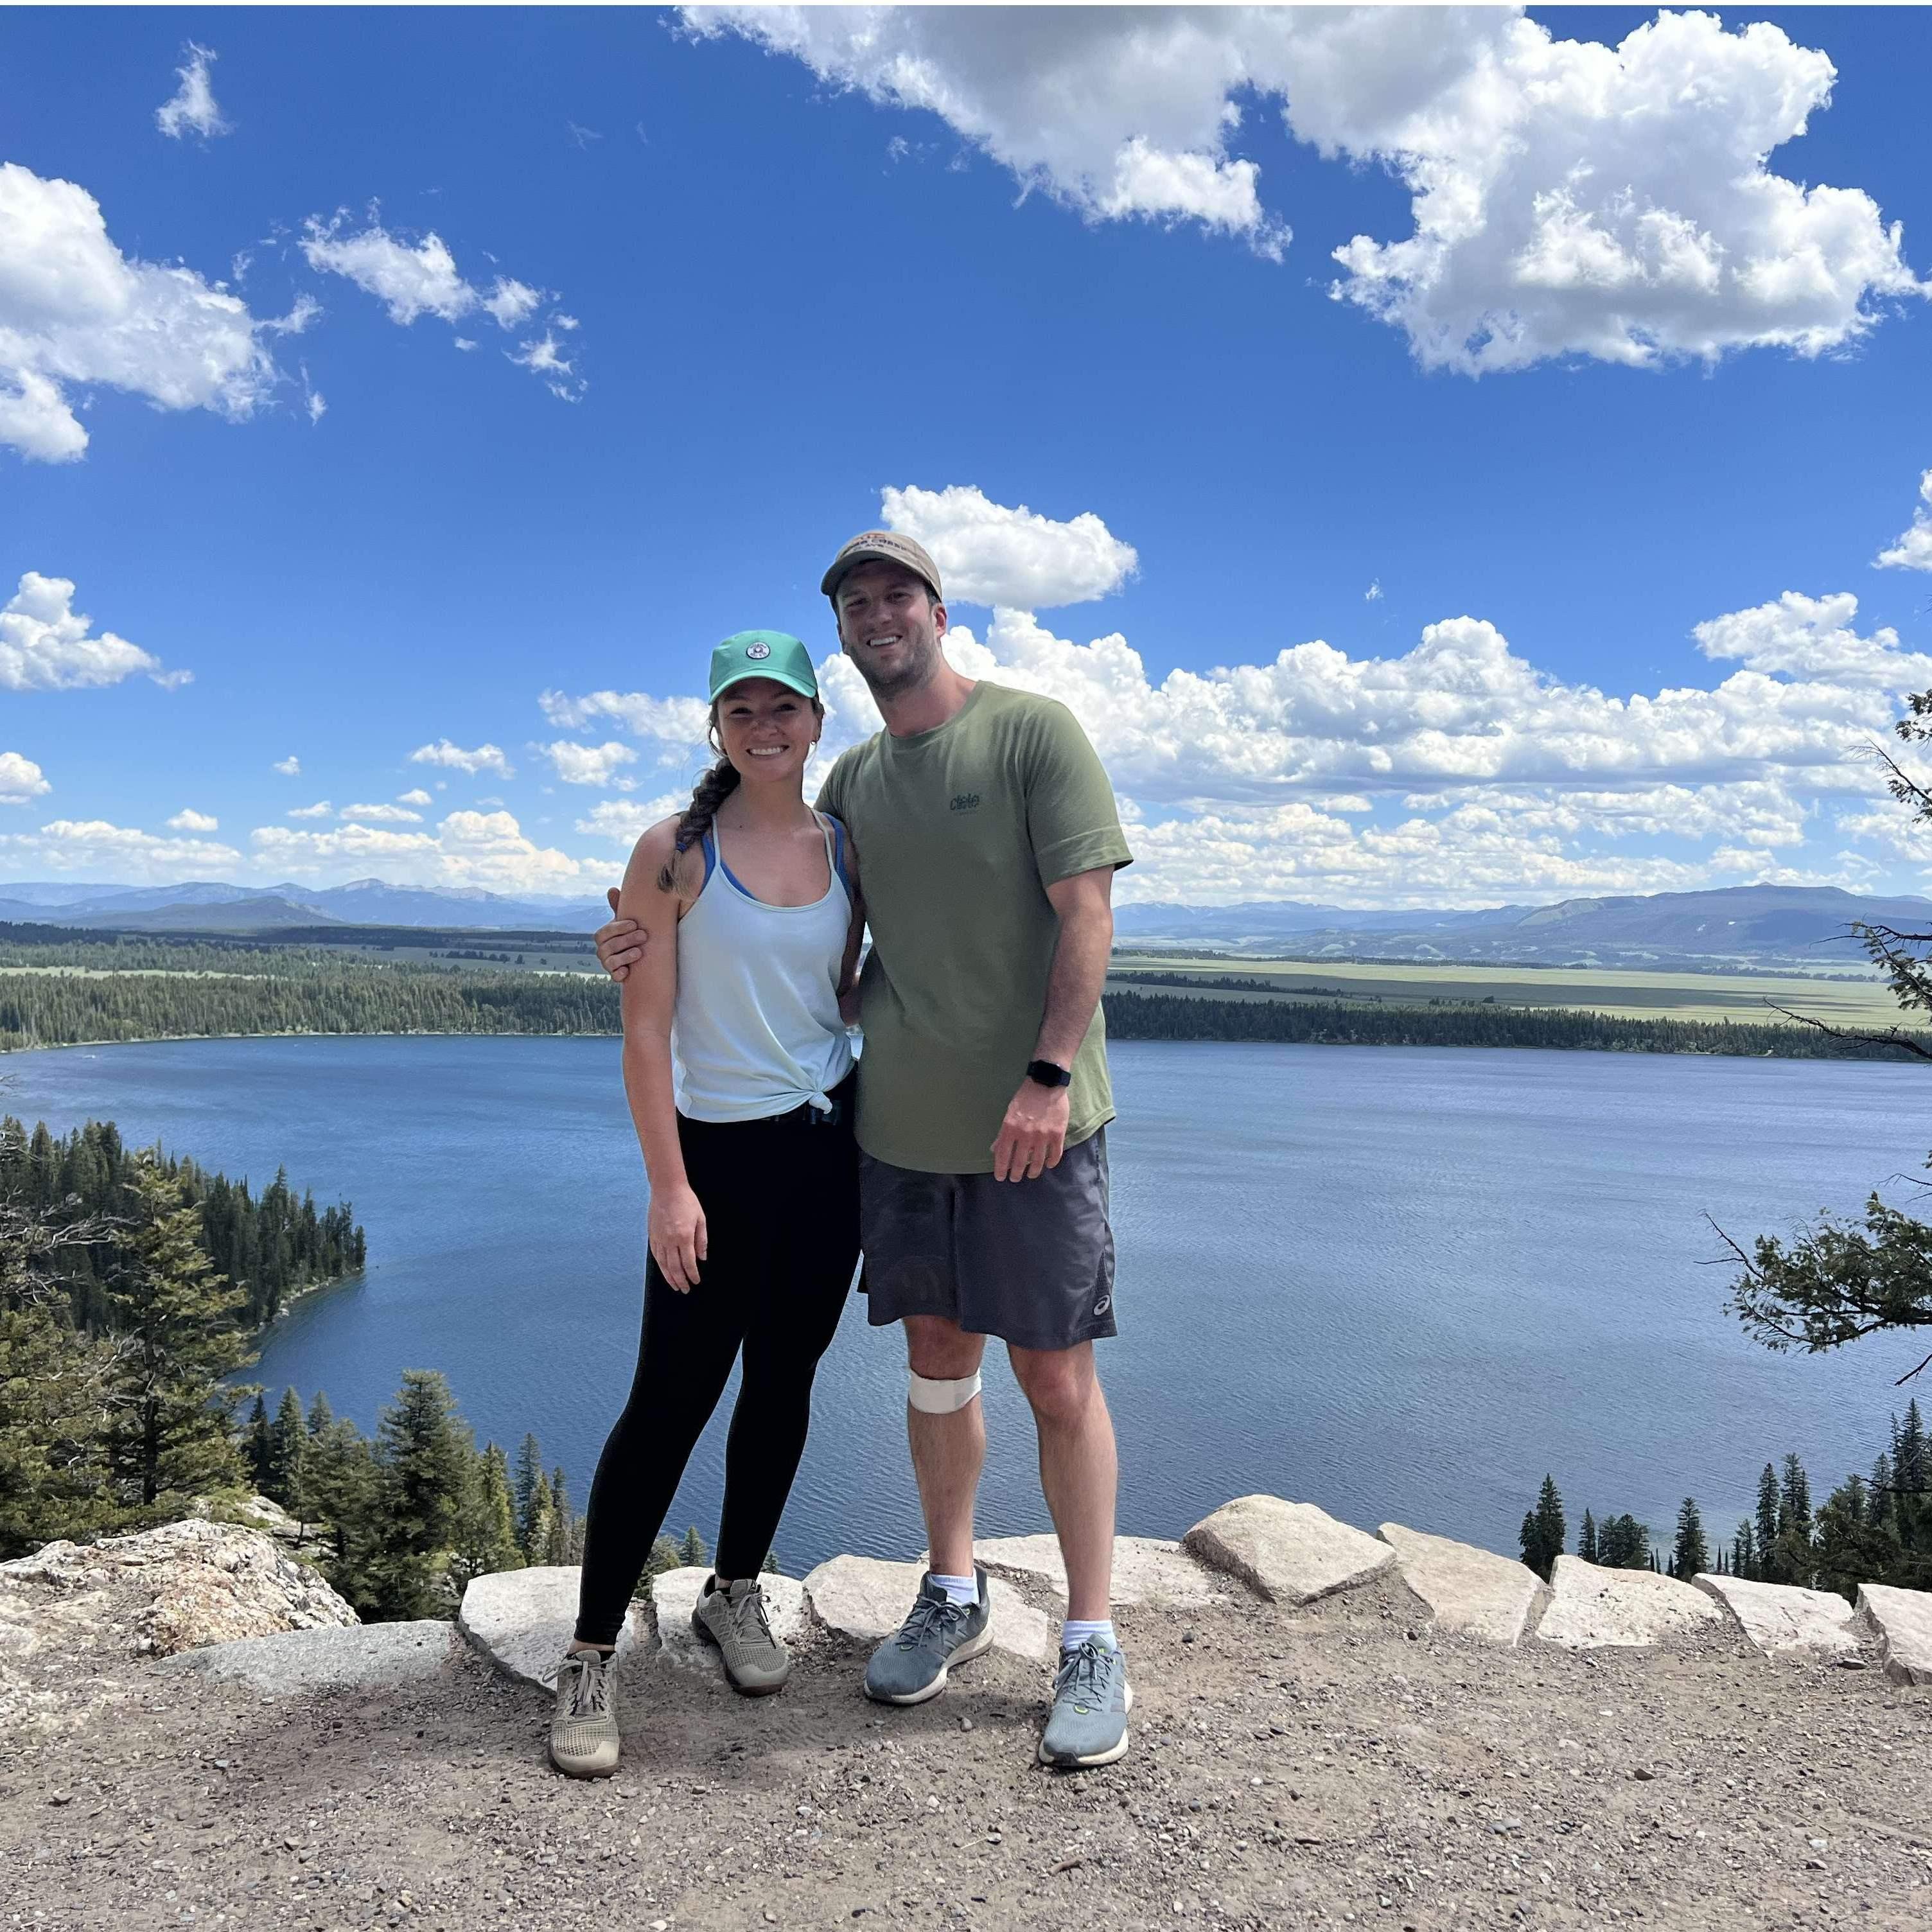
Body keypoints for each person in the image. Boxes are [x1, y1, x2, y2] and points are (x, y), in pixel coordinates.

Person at [596, 531, 1135, 1769]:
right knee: (939, 1368)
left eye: (897, 594)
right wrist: (632, 936)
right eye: (855, 601)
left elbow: (1088, 914)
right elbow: (794, 938)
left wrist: (1049, 1078)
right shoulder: (853, 791)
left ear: (938, 611)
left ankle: (1092, 1636)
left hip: (1035, 1122)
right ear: (840, 632)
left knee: (1058, 1380)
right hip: (892, 1129)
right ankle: (953, 1591)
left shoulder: (1032, 733)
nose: (878, 613)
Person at [550, 629, 864, 1781]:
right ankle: (589, 1654)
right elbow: (644, 1035)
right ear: (718, 730)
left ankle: (736, 1591)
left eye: (785, 707)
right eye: (742, 710)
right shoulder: (674, 852)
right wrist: (668, 1187)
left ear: (818, 722)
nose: (765, 727)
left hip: (828, 1154)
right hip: (715, 1163)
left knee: (785, 1383)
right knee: (669, 1402)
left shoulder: (848, 849)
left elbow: (847, 991)